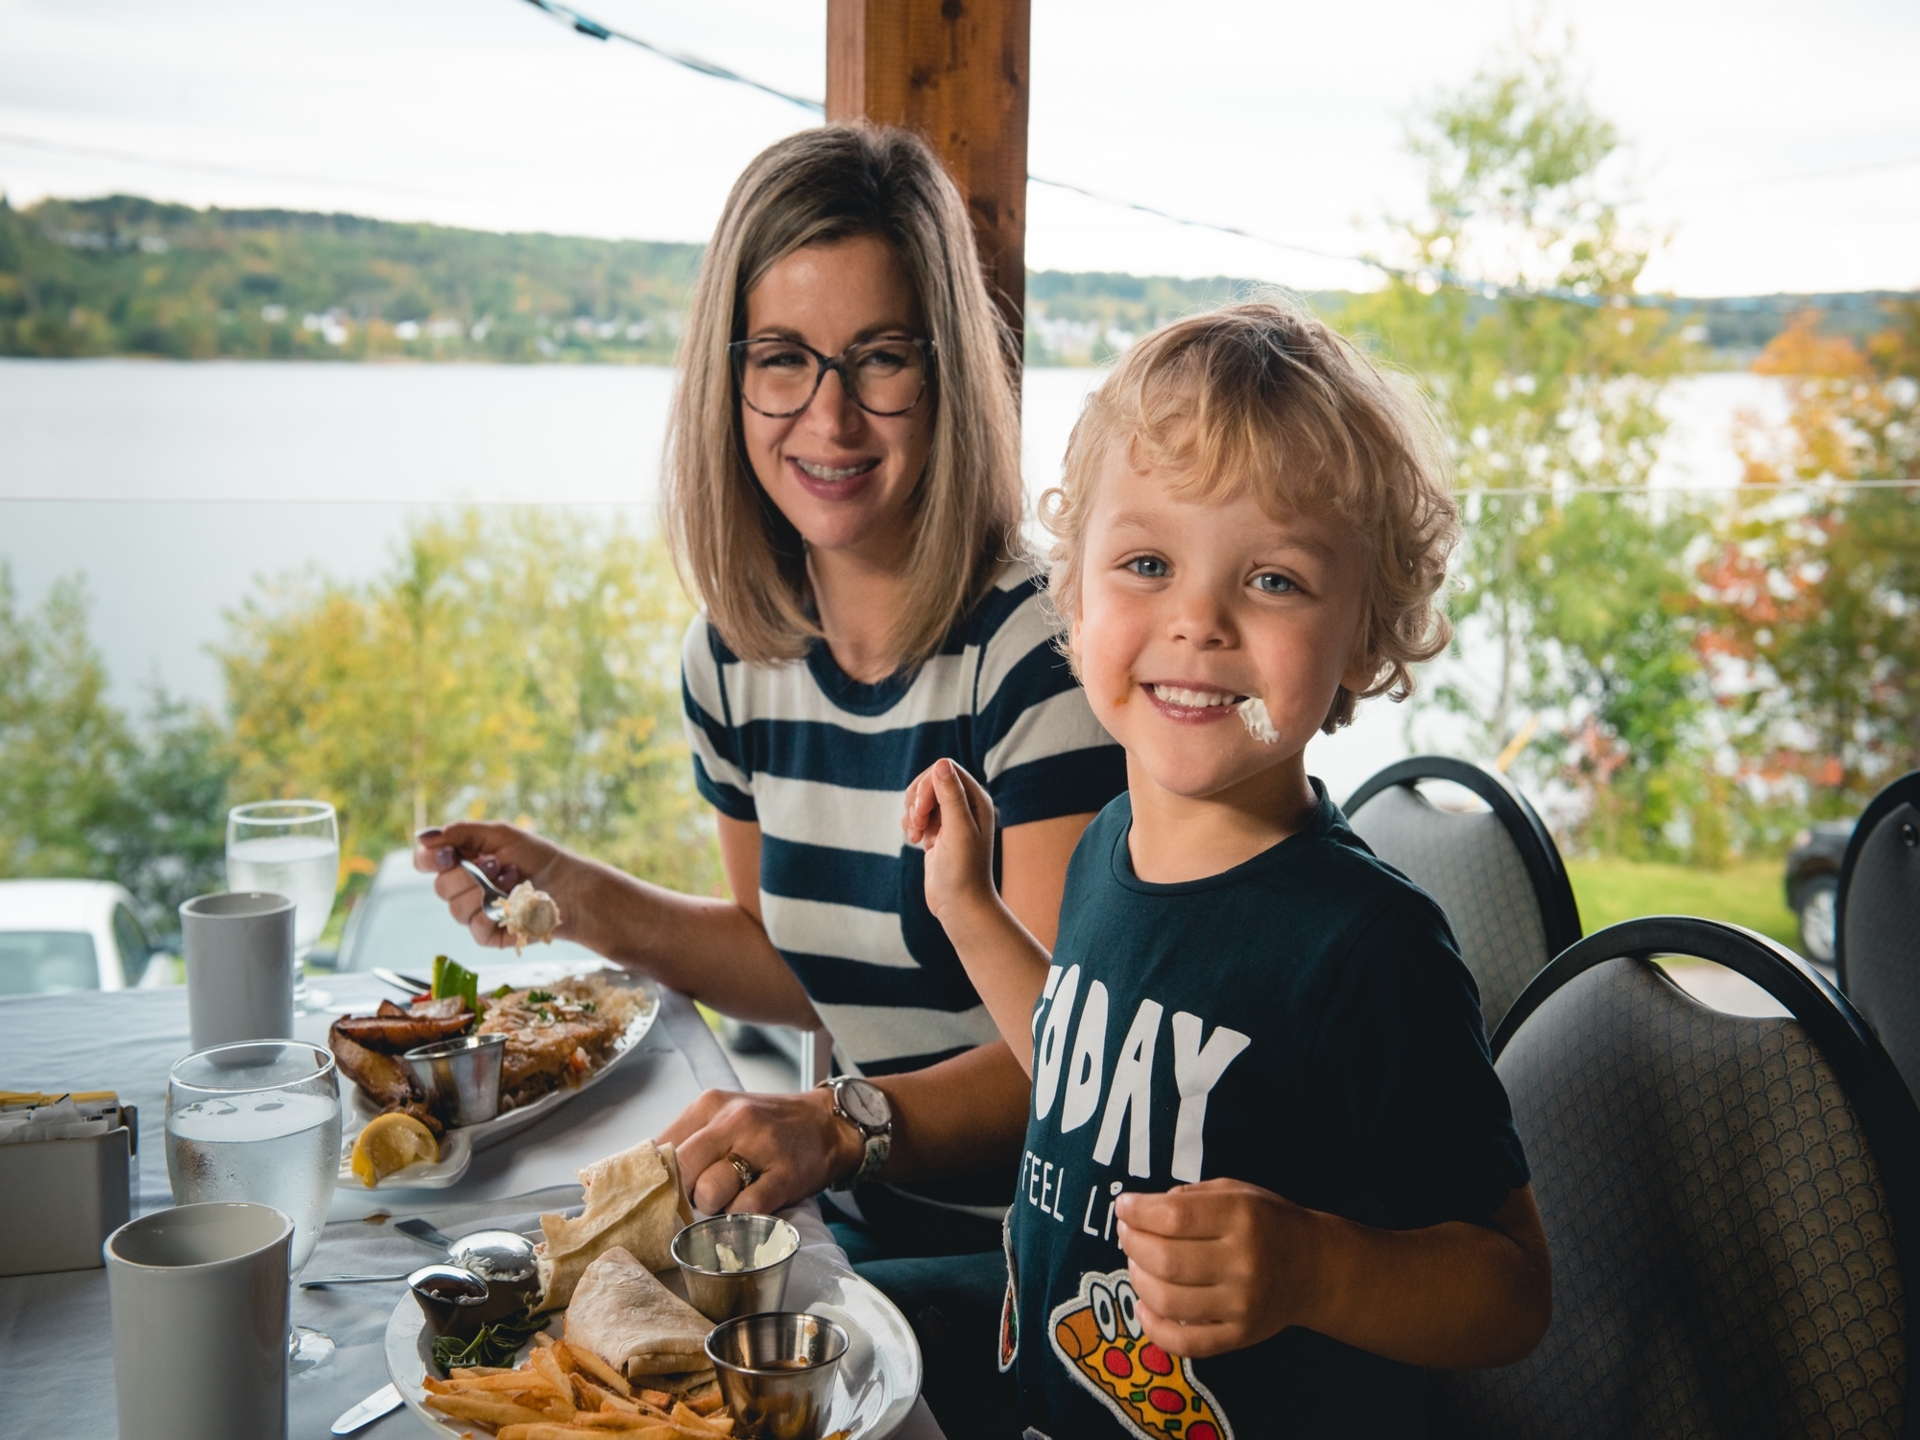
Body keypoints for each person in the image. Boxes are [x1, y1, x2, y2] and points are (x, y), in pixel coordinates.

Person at [413, 125, 1125, 1433]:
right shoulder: (732, 659)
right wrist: (575, 894)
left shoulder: (1040, 657)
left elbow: (1068, 1056)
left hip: (1048, 1259)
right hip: (859, 1223)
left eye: (882, 358)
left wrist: (840, 1124)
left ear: (950, 375)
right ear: (727, 380)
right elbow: (796, 961)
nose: (830, 417)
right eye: (783, 359)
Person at [903, 303, 1553, 1438]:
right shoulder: (1108, 845)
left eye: (1275, 580)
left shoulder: (1368, 948)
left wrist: (1315, 1268)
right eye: (1147, 563)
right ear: (1076, 599)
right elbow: (1076, 1067)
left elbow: (1513, 1291)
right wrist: (968, 905)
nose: (1197, 619)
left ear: (1364, 638)